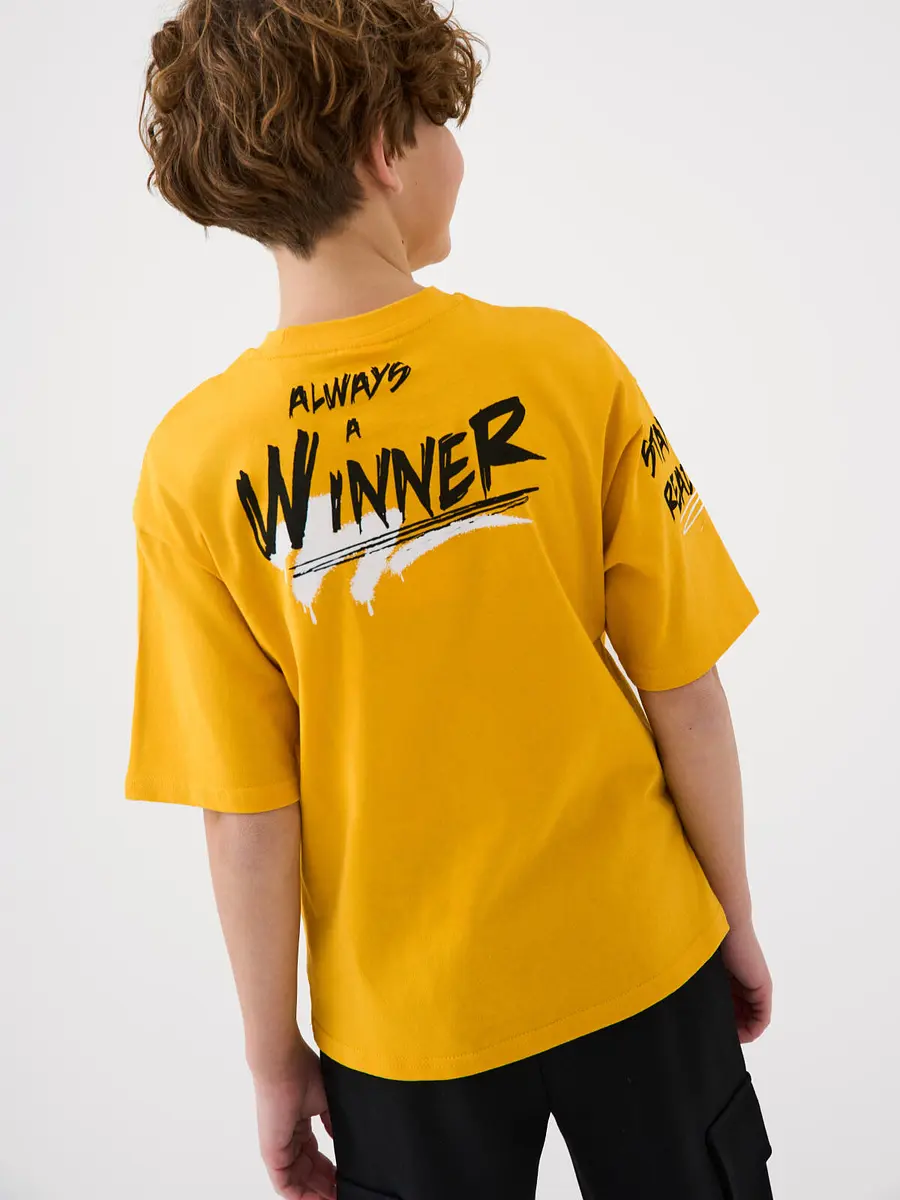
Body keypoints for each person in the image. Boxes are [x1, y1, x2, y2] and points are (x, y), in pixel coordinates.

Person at [125, 2, 774, 1198]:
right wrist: (732, 916)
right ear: (385, 147)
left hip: (402, 1030)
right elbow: (684, 687)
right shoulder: (562, 365)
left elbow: (247, 814)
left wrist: (273, 1059)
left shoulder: (193, 465)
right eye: (438, 122)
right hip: (640, 955)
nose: (454, 155)